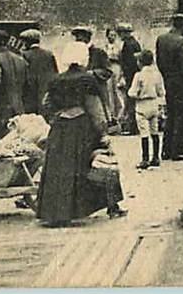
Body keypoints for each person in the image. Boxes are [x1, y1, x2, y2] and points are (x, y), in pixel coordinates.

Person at [37, 41, 126, 226]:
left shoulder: (56, 80)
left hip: (59, 129)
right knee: (90, 167)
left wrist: (56, 119)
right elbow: (95, 109)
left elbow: (46, 104)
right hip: (81, 127)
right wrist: (103, 132)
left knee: (58, 170)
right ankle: (109, 206)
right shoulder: (87, 80)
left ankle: (56, 214)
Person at [156, 13, 183, 160]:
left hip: (168, 81)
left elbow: (159, 62)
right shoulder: (181, 42)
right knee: (182, 116)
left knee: (171, 115)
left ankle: (166, 150)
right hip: (181, 84)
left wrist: (167, 76)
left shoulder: (161, 39)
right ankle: (178, 150)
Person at [127, 49, 166, 169]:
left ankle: (145, 159)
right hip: (154, 104)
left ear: (140, 62)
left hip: (142, 104)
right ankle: (155, 157)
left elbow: (132, 93)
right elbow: (161, 91)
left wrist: (138, 94)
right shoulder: (157, 75)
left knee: (144, 133)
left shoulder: (138, 75)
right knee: (155, 131)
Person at [20, 29, 58, 116]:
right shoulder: (49, 54)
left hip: (30, 95)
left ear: (27, 42)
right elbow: (55, 74)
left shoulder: (24, 55)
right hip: (46, 94)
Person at [117, 23, 142, 135]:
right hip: (135, 74)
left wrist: (124, 73)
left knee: (130, 101)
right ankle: (134, 126)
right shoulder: (135, 43)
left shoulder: (127, 44)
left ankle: (132, 127)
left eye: (121, 33)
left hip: (130, 76)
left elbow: (128, 62)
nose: (120, 35)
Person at [104, 28, 124, 123]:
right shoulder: (105, 46)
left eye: (114, 35)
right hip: (108, 68)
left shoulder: (119, 47)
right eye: (110, 35)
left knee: (117, 90)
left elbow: (120, 58)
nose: (111, 37)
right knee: (109, 91)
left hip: (116, 68)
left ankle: (120, 114)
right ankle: (110, 114)